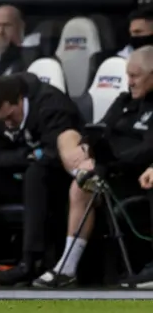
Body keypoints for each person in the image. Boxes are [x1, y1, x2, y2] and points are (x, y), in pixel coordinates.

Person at [34, 45, 153, 288]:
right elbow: (100, 128)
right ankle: (64, 268)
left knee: (82, 186)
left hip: (133, 175)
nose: (129, 82)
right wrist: (88, 145)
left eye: (135, 76)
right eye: (127, 75)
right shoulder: (124, 101)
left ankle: (67, 268)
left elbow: (147, 150)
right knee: (67, 141)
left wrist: (107, 163)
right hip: (104, 168)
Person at [0, 73, 81, 286]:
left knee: (36, 173)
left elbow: (56, 153)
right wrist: (28, 156)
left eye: (11, 117)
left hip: (58, 178)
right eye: (3, 121)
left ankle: (30, 261)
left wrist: (26, 158)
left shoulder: (53, 106)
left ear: (20, 100)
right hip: (21, 172)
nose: (8, 125)